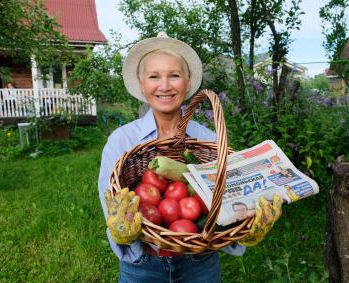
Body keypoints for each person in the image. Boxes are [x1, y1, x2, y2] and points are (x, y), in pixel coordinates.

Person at [98, 32, 283, 283]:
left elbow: (224, 201)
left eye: (174, 75)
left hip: (200, 262)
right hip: (143, 263)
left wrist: (243, 231)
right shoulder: (121, 141)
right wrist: (121, 233)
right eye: (154, 77)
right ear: (142, 84)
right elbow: (109, 203)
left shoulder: (208, 139)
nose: (164, 86)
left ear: (188, 81)